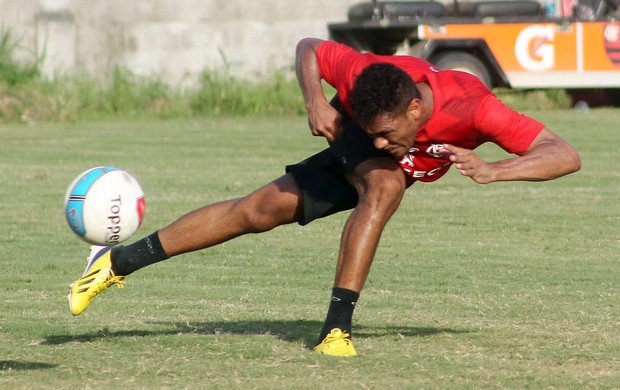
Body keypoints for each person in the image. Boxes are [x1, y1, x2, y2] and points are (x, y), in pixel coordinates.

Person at [68, 37, 581, 357]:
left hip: (383, 134)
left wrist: (495, 170)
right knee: (383, 183)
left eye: (389, 133)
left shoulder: (475, 108)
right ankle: (337, 329)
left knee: (256, 212)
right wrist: (316, 100)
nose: (383, 142)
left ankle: (116, 260)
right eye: (375, 133)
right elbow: (309, 47)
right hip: (344, 132)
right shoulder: (367, 81)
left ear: (415, 112)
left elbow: (562, 153)